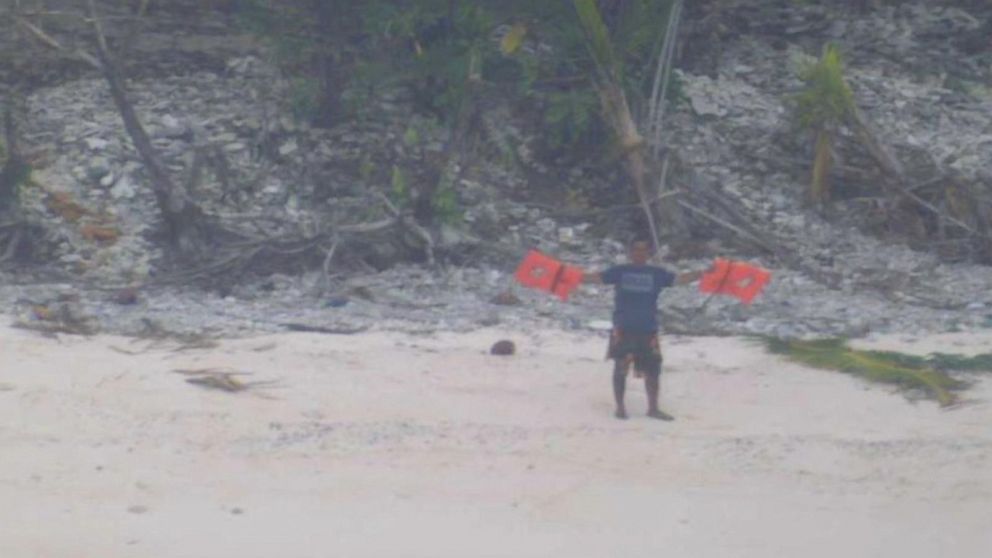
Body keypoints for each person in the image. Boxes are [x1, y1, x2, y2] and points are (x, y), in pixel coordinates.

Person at [584, 237, 705, 420]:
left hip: (648, 328)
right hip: (623, 327)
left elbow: (680, 280)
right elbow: (596, 278)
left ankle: (653, 408)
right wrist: (566, 274)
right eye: (636, 249)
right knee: (620, 368)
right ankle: (620, 408)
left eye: (644, 250)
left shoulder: (657, 273)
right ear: (630, 253)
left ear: (649, 254)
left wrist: (702, 273)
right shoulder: (620, 271)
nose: (639, 253)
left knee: (653, 371)